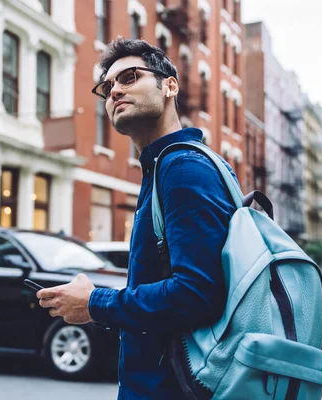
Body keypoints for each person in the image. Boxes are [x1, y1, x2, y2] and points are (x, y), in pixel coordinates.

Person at [37, 38, 238, 399]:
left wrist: (95, 303)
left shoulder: (183, 168)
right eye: (107, 86)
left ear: (170, 86)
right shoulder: (167, 168)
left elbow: (197, 293)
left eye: (129, 77)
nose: (114, 91)